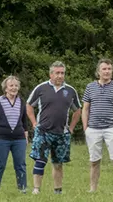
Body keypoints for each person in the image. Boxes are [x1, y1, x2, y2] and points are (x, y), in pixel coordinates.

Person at [26, 61, 81, 194]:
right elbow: (29, 106)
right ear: (51, 74)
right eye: (57, 73)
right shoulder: (41, 88)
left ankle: (58, 190)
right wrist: (34, 123)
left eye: (62, 73)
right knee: (40, 160)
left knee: (58, 163)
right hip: (43, 131)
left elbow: (78, 110)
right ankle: (36, 189)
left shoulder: (70, 90)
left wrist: (71, 128)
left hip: (61, 133)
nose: (60, 76)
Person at [82, 59, 113, 192]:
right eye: (104, 69)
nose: (107, 71)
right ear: (98, 71)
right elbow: (85, 108)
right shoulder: (90, 87)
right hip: (93, 129)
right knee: (94, 161)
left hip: (111, 128)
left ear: (112, 71)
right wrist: (86, 128)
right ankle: (93, 189)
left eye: (109, 69)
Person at [0, 76, 30, 194]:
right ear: (5, 88)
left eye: (16, 86)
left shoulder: (21, 102)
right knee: (0, 164)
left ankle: (22, 188)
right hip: (1, 138)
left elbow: (24, 120)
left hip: (19, 138)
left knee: (20, 164)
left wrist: (26, 136)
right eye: (11, 86)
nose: (14, 88)